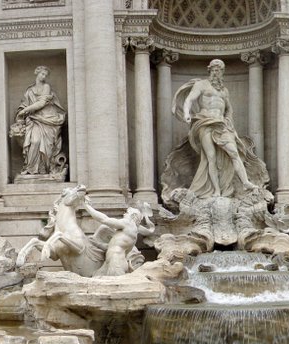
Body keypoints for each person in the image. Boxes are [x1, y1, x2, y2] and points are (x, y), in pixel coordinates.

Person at [174, 59, 259, 198]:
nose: (215, 73)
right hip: (205, 122)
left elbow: (229, 109)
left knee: (234, 152)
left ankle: (245, 182)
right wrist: (186, 113)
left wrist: (228, 120)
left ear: (222, 72)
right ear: (209, 71)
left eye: (218, 70)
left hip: (221, 124)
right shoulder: (201, 85)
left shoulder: (224, 91)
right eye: (213, 70)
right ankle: (216, 190)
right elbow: (189, 99)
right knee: (211, 157)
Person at [10, 66, 67, 177]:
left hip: (47, 119)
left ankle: (44, 170)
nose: (44, 76)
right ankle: (31, 169)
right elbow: (24, 104)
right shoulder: (29, 91)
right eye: (42, 74)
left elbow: (41, 104)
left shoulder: (46, 87)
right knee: (35, 141)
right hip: (34, 120)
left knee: (47, 146)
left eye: (45, 75)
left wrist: (25, 111)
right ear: (37, 74)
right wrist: (21, 112)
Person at [82, 199, 154, 277]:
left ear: (133, 216)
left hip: (116, 262)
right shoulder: (131, 231)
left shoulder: (128, 223)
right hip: (111, 262)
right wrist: (96, 243)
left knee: (116, 287)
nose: (124, 214)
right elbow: (112, 247)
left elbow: (104, 219)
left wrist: (87, 207)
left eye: (126, 213)